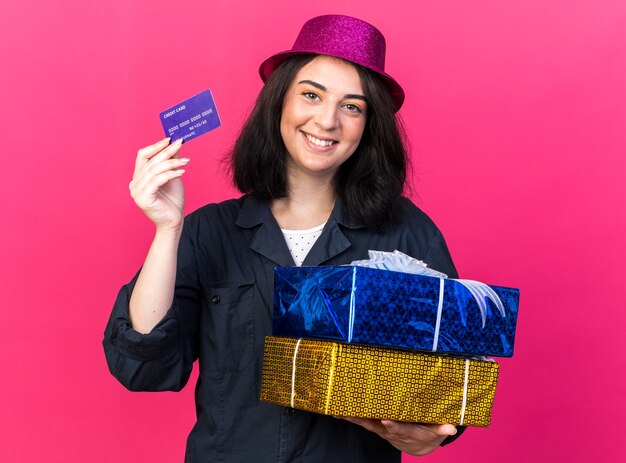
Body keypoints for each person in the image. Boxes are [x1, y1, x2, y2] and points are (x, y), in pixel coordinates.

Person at [104, 14, 465, 462]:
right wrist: (167, 228)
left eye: (352, 106)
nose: (327, 120)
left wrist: (433, 431)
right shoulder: (209, 231)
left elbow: (449, 380)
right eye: (311, 95)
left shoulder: (406, 232)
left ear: (369, 125)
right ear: (279, 103)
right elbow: (143, 366)